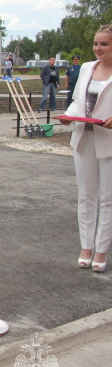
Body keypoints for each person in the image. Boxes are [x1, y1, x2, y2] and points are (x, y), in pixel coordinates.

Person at [59, 24, 112, 273]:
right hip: (84, 137)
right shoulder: (88, 68)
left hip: (109, 140)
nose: (98, 48)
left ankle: (101, 251)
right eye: (96, 43)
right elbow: (78, 102)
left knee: (108, 198)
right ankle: (86, 248)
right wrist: (68, 116)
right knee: (86, 195)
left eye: (104, 44)